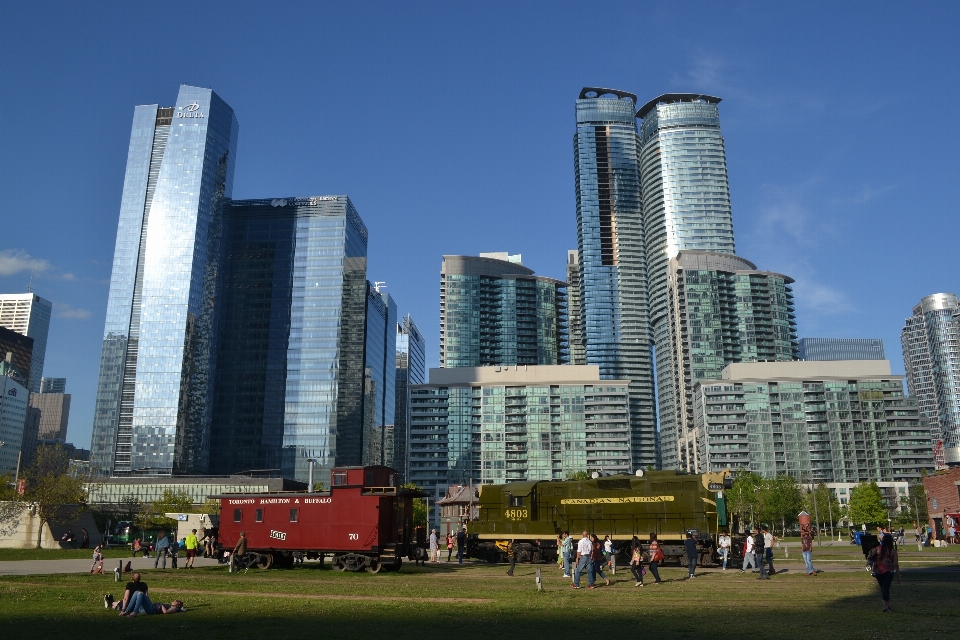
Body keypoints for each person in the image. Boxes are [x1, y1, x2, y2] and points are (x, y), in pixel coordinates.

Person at [867, 532, 900, 612]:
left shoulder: (878, 549)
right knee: (886, 588)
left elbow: (869, 556)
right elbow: (895, 564)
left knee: (883, 588)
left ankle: (887, 606)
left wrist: (871, 564)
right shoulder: (893, 551)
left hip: (878, 571)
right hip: (888, 572)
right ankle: (885, 607)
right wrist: (899, 575)